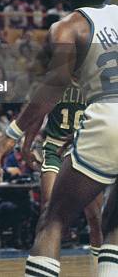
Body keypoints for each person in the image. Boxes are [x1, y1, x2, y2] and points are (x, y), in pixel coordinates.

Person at [0, 0, 116, 277]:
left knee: (53, 219)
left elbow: (54, 84)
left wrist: (14, 133)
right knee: (113, 222)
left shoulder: (68, 27)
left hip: (108, 116)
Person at [40, 85, 103, 261]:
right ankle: (45, 264)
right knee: (47, 208)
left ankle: (98, 264)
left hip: (86, 146)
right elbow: (36, 113)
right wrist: (26, 143)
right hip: (55, 146)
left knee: (94, 216)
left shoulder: (97, 83)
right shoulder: (55, 79)